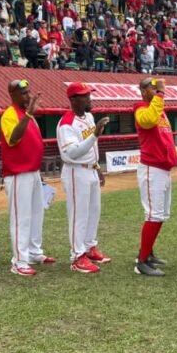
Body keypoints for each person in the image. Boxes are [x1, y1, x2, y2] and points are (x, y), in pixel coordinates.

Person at [133, 77, 177, 277]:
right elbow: (148, 120)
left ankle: (147, 253)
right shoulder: (141, 108)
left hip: (163, 169)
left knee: (161, 214)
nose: (157, 90)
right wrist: (161, 94)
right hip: (151, 168)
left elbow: (167, 140)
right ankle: (141, 262)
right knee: (153, 215)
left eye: (158, 88)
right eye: (153, 88)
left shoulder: (160, 110)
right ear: (143, 90)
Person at [0, 79, 56, 275]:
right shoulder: (10, 114)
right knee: (21, 218)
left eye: (28, 92)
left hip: (33, 172)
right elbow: (14, 138)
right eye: (23, 93)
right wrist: (29, 114)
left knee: (36, 214)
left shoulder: (27, 115)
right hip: (18, 174)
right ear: (12, 95)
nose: (27, 96)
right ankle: (19, 261)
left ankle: (33, 252)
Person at [56, 82, 111, 273]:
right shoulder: (66, 123)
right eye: (84, 96)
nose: (89, 99)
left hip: (90, 169)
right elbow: (73, 152)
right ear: (73, 100)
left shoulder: (88, 116)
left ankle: (89, 247)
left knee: (94, 211)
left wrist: (97, 167)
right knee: (78, 214)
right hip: (75, 170)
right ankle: (77, 256)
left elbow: (90, 148)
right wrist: (95, 135)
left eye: (89, 95)